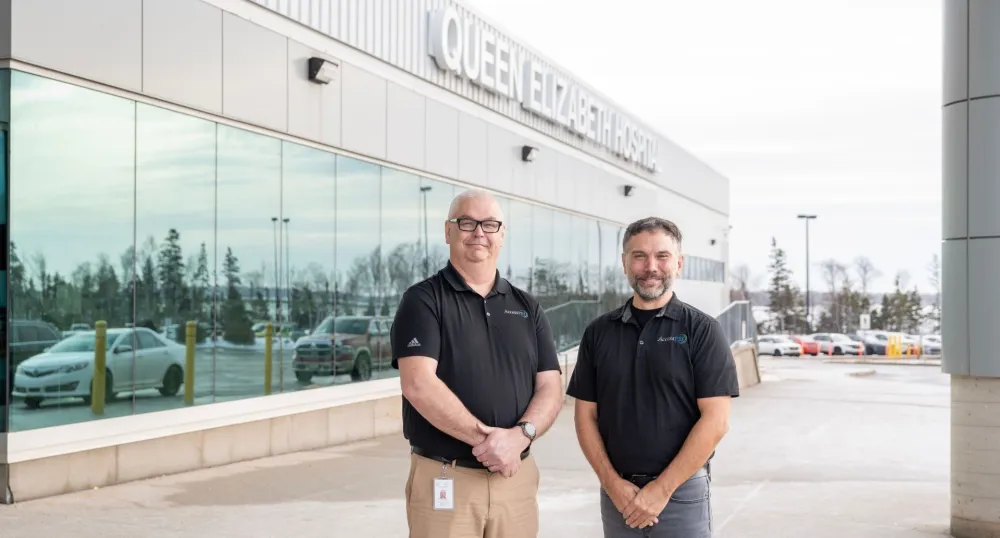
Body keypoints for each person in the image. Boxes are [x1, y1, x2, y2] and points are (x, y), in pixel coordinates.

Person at [390, 189, 564, 538]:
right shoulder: (423, 300)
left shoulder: (527, 307)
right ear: (448, 231)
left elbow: (550, 386)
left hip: (515, 478)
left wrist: (519, 437)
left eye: (489, 224)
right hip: (447, 478)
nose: (479, 233)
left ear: (502, 234)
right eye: (467, 222)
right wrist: (491, 445)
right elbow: (418, 384)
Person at [566, 216, 740, 537]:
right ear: (624, 263)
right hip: (618, 496)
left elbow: (716, 421)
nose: (651, 267)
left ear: (679, 264)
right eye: (639, 256)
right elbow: (585, 417)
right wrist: (612, 484)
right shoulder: (599, 332)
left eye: (662, 256)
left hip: (681, 494)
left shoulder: (702, 330)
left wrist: (661, 490)